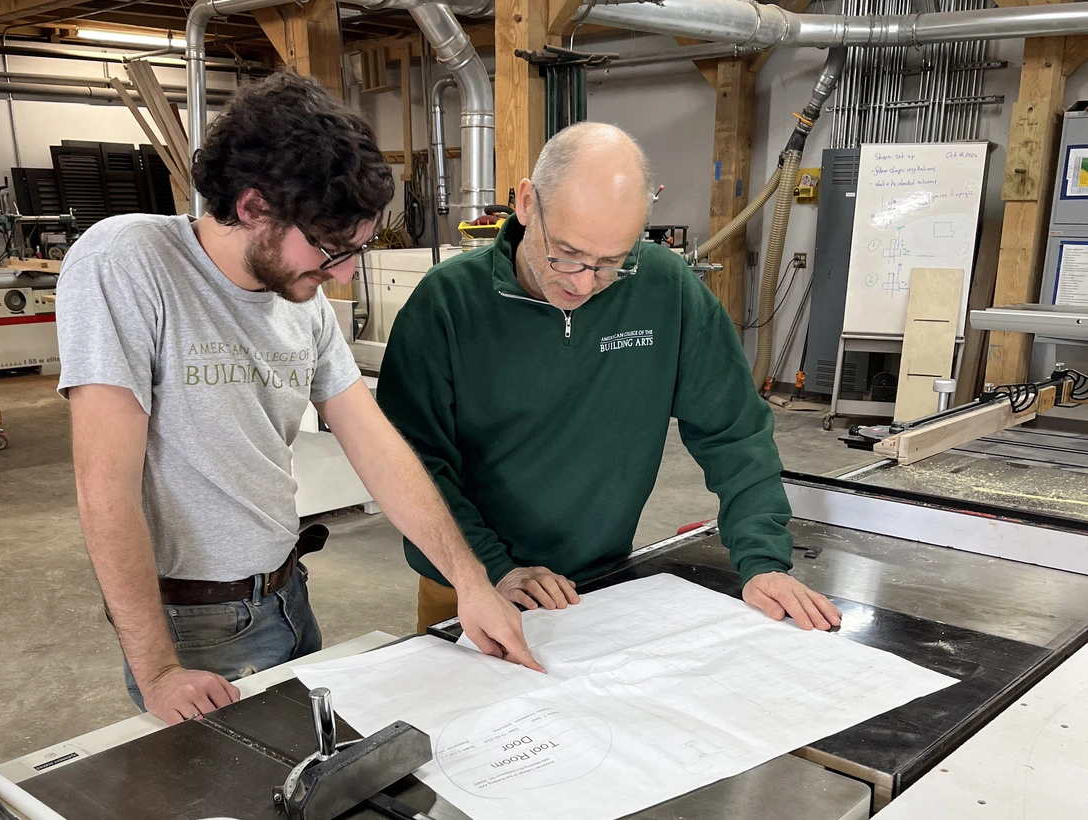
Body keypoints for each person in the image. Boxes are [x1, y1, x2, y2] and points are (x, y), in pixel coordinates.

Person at [56, 73, 538, 726]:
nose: (341, 273)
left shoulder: (300, 299)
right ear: (254, 207)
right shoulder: (127, 262)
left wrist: (471, 583)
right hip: (192, 623)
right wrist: (160, 670)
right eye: (329, 248)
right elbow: (103, 488)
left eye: (355, 251)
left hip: (288, 595)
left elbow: (375, 444)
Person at [377, 122, 842, 634]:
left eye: (610, 265)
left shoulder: (664, 288)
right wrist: (491, 569)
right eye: (568, 255)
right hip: (466, 584)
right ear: (528, 204)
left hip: (601, 583)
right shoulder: (446, 305)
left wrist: (763, 561)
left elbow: (735, 432)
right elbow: (416, 464)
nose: (584, 283)